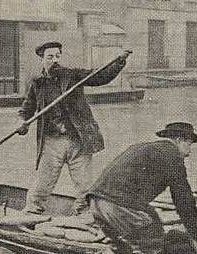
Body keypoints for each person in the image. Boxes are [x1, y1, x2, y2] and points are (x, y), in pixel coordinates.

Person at [87, 122, 197, 254]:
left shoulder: (144, 148)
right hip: (119, 205)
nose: (189, 151)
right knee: (154, 244)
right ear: (179, 140)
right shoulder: (172, 157)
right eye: (189, 144)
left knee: (120, 245)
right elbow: (184, 201)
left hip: (96, 201)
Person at [17, 42, 129, 215]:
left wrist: (119, 62)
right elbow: (27, 108)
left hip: (78, 139)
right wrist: (22, 121)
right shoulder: (37, 83)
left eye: (57, 56)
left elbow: (100, 77)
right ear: (42, 59)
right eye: (50, 57)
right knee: (41, 184)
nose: (54, 60)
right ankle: (31, 214)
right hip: (52, 142)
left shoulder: (73, 75)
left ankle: (84, 216)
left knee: (84, 187)